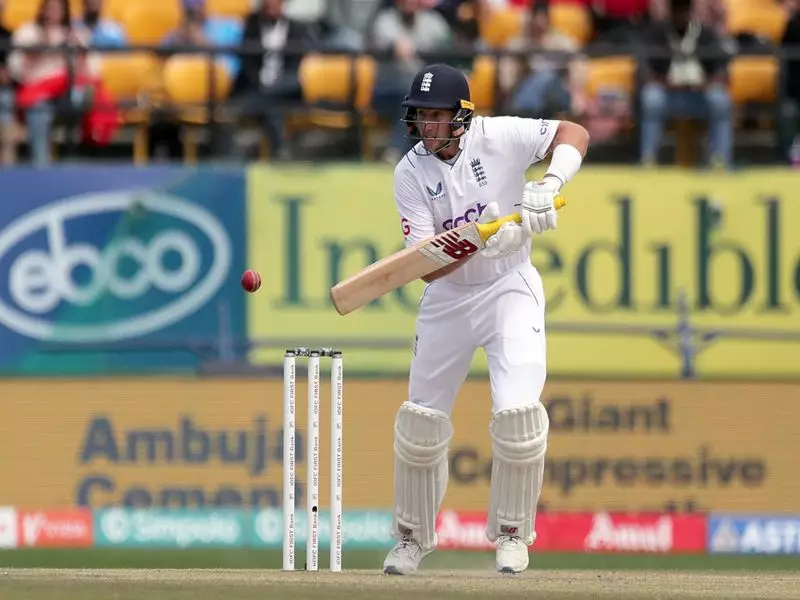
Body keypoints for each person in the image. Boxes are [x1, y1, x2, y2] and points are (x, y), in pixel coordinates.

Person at [383, 63, 589, 575]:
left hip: (510, 288)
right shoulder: (409, 173)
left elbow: (574, 133)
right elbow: (425, 266)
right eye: (420, 116)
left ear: (462, 115)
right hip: (448, 298)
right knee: (420, 425)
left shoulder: (499, 136)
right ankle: (411, 539)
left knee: (519, 419)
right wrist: (479, 241)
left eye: (435, 115)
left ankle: (513, 536)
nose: (426, 125)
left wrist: (549, 182)